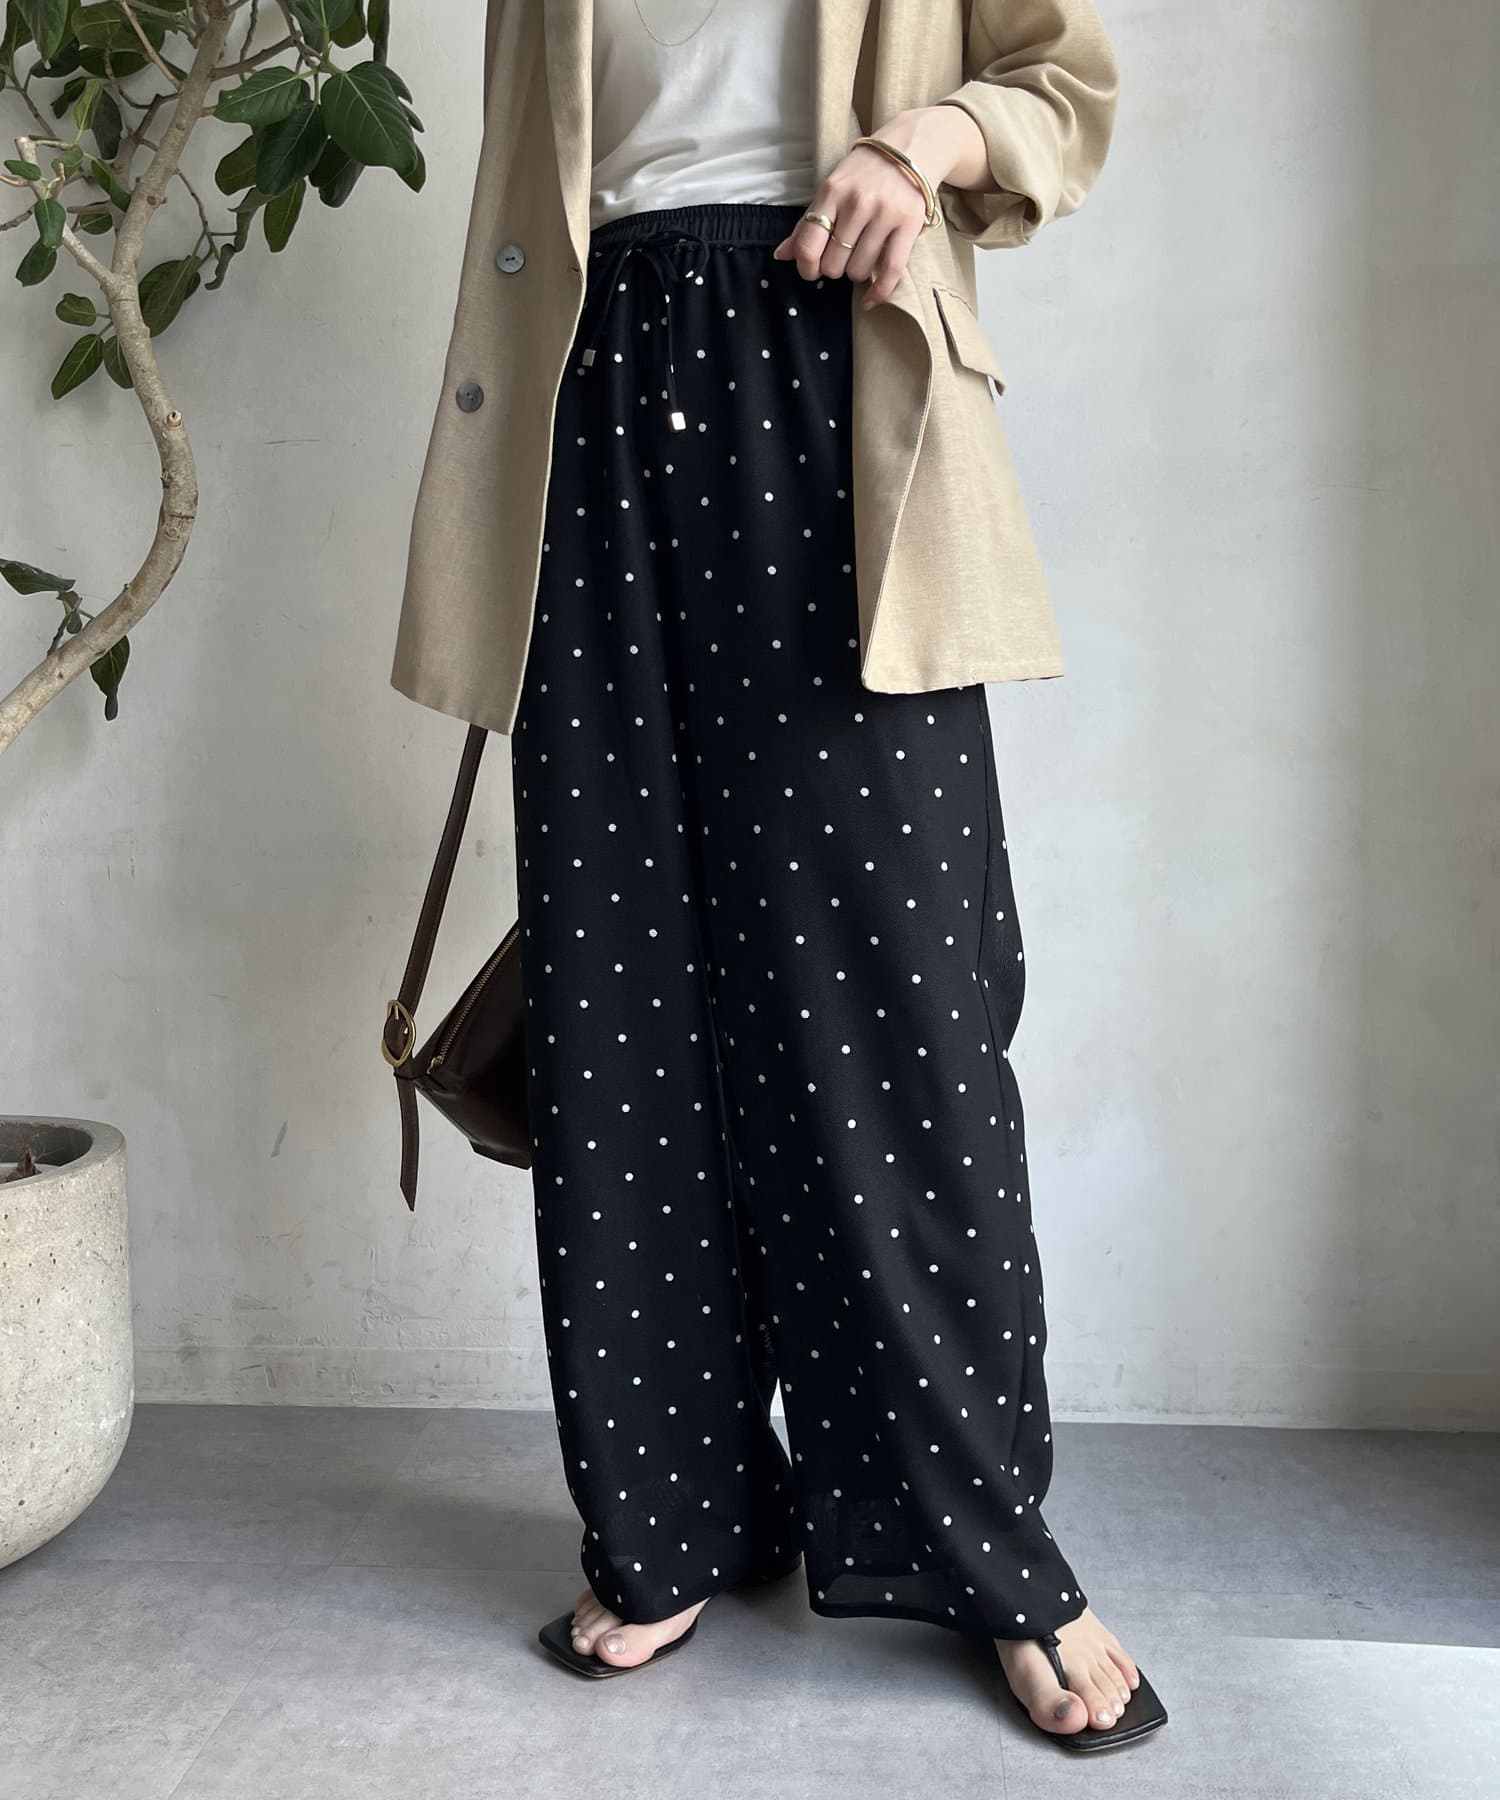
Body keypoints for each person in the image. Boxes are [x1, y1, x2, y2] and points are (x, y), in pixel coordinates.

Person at [389, 0, 1166, 1754]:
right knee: (624, 1005)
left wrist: (919, 145)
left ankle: (984, 1548)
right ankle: (679, 1514)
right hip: (589, 389)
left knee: (899, 1015)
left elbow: (1061, 80)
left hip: (834, 357)